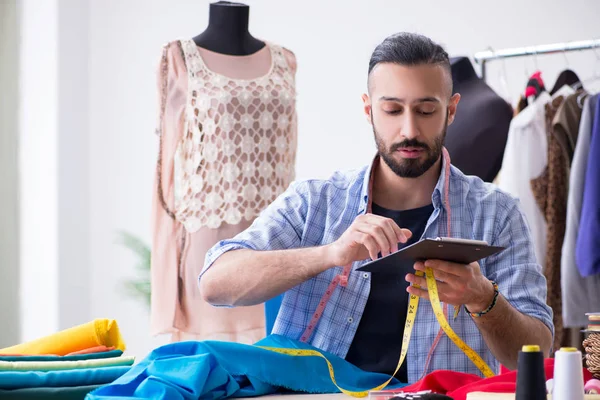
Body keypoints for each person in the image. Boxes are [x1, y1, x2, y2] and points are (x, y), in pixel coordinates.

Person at [198, 32, 554, 384]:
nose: (409, 129)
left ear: (452, 110)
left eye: (426, 110)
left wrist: (483, 298)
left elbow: (537, 352)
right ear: (368, 109)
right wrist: (329, 254)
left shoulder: (498, 214)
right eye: (392, 109)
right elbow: (215, 283)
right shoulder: (314, 202)